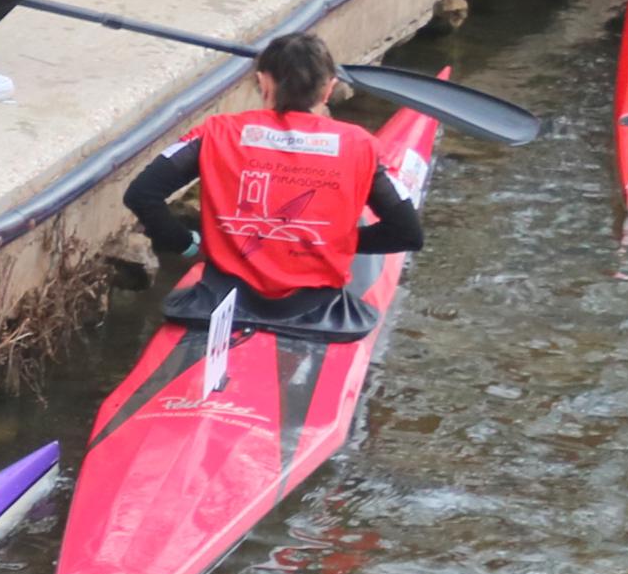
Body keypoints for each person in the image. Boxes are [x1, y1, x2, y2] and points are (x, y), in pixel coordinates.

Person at [113, 30, 423, 341]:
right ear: (329, 89)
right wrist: (334, 240)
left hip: (218, 304)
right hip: (316, 314)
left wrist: (186, 243)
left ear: (263, 84)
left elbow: (142, 194)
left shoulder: (217, 132)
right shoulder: (362, 146)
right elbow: (407, 233)